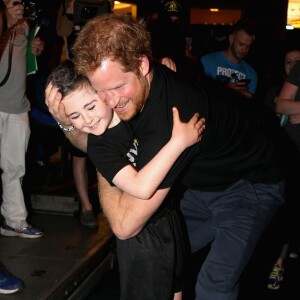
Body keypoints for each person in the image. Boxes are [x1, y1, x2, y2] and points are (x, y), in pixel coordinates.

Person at [45, 14, 284, 300]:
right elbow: (97, 135)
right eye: (99, 91)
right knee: (160, 254)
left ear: (143, 65)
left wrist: (107, 160)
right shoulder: (132, 91)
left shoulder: (173, 120)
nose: (110, 102)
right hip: (205, 186)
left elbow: (124, 224)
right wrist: (67, 121)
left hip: (252, 185)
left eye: (118, 87)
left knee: (213, 285)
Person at [0, 0, 44, 238]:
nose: (18, 6)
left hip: (17, 106)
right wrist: (6, 23)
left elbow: (28, 61)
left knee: (15, 168)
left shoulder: (26, 26)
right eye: (12, 1)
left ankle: (14, 220)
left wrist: (34, 49)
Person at [263, 49, 300, 290]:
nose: (292, 66)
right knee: (286, 208)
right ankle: (278, 261)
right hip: (289, 151)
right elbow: (280, 105)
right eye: (288, 62)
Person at [200, 18, 257, 99]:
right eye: (241, 44)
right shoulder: (208, 61)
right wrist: (225, 89)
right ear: (231, 39)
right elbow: (200, 94)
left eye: (248, 46)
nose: (244, 50)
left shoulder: (251, 74)